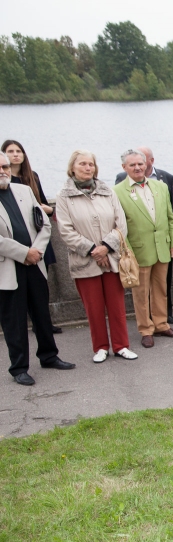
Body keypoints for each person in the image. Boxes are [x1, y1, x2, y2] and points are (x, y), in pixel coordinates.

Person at [55, 150, 137, 362]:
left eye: (90, 164)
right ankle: (101, 347)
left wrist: (106, 247)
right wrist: (93, 249)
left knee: (117, 306)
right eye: (82, 164)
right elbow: (65, 230)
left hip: (111, 258)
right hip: (85, 260)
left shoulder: (107, 192)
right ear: (72, 168)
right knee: (94, 308)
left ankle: (121, 345)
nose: (87, 167)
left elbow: (121, 224)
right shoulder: (64, 196)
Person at [0, 152, 74, 385]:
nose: (2, 171)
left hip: (35, 263)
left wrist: (37, 251)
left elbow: (43, 224)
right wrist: (24, 253)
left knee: (42, 313)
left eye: (5, 166)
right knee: (14, 320)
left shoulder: (23, 190)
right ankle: (19, 367)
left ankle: (49, 356)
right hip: (9, 267)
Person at [114, 149, 173, 349]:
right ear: (124, 167)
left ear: (146, 164)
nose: (137, 168)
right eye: (132, 165)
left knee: (161, 289)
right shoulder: (117, 192)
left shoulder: (161, 186)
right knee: (141, 293)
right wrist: (127, 252)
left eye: (140, 164)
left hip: (162, 247)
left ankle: (161, 324)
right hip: (139, 250)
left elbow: (171, 217)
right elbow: (119, 226)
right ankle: (146, 329)